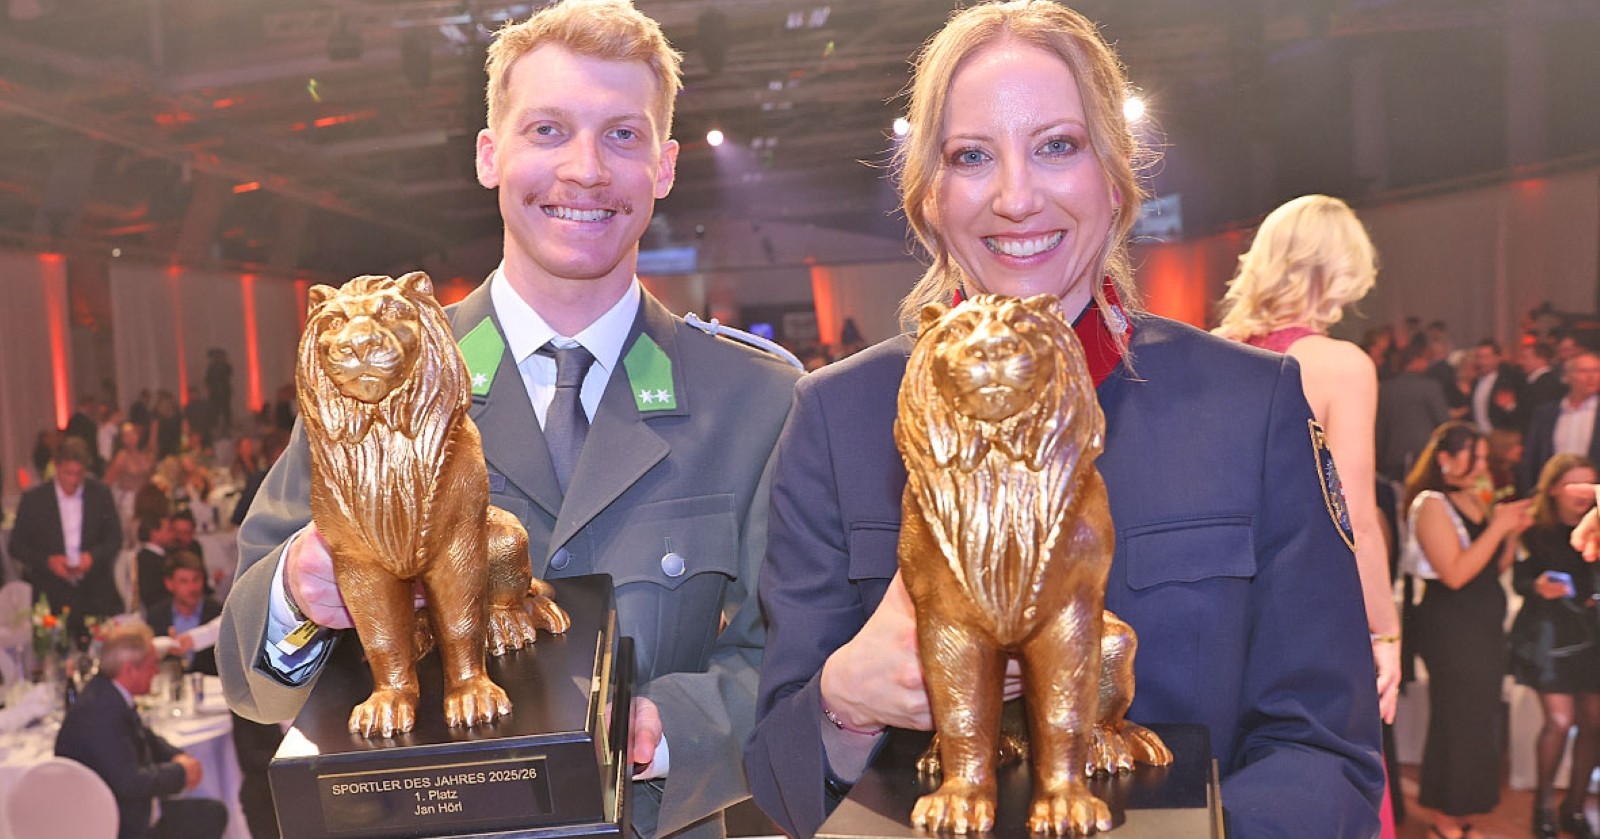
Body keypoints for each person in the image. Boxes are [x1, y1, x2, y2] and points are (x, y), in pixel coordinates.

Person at [743, 3, 1383, 837]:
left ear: (1114, 180)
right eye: (972, 156)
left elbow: (1328, 757)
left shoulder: (1251, 405)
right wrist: (844, 703)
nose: (1016, 196)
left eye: (1058, 146)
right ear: (931, 199)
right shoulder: (838, 416)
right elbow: (779, 780)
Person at [215, 4, 801, 839]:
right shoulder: (374, 368)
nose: (586, 169)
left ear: (665, 167)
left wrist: (669, 731)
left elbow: (791, 666)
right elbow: (248, 676)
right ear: (492, 155)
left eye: (624, 136)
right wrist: (303, 589)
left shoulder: (754, 399)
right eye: (549, 130)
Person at [1213, 193, 1402, 725]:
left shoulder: (1212, 351)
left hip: (1219, 610)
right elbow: (1354, 519)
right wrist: (1385, 630)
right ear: (1342, 270)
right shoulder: (1340, 365)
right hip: (1304, 606)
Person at [1402, 421, 1534, 839]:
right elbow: (1455, 574)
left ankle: (1463, 814)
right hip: (1450, 628)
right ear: (1445, 457)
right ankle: (1444, 818)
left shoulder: (1475, 500)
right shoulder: (1431, 503)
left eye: (1483, 459)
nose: (1481, 467)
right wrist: (1497, 526)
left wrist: (1510, 533)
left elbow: (1491, 567)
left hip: (1482, 624)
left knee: (1478, 719)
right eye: (1473, 458)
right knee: (1456, 720)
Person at [54, 622, 228, 839]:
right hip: (115, 825)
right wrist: (181, 773)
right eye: (152, 664)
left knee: (212, 813)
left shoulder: (108, 692)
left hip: (128, 810)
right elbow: (130, 782)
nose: (156, 671)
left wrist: (178, 756)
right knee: (208, 817)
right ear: (129, 669)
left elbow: (145, 736)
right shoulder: (100, 711)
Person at [1509, 454, 1600, 839]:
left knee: (1595, 724)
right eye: (1572, 485)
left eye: (1589, 485)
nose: (1582, 494)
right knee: (1559, 722)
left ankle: (1574, 808)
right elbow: (1518, 580)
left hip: (1592, 635)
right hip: (1549, 637)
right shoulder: (1534, 531)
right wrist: (1537, 586)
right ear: (1552, 490)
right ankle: (1543, 805)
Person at [7, 438, 123, 640]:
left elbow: (115, 537)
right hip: (52, 592)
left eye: (79, 474)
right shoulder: (34, 500)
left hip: (94, 590)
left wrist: (92, 557)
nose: (73, 481)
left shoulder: (100, 494)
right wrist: (48, 561)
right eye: (67, 473)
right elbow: (16, 545)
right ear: (56, 467)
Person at [1523, 350, 1600, 489]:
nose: (1591, 377)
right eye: (1583, 371)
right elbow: (1532, 457)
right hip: (1553, 493)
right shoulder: (1546, 413)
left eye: (1596, 371)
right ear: (1567, 376)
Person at [146, 551, 222, 676]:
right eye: (184, 581)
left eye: (196, 580)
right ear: (169, 584)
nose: (192, 587)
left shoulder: (218, 613)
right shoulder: (156, 616)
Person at [133, 514, 174, 612]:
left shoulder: (164, 556)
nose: (172, 534)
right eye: (169, 530)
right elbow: (152, 596)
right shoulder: (146, 560)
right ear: (154, 534)